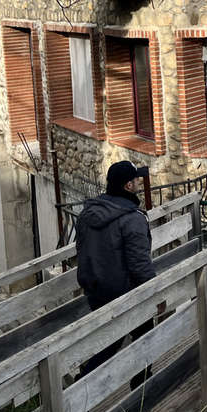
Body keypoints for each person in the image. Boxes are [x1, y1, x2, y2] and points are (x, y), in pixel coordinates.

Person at [76, 161, 160, 386]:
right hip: (123, 292)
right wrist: (156, 292)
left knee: (111, 340)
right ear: (128, 186)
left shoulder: (87, 214)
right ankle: (141, 388)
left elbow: (81, 251)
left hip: (95, 290)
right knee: (144, 335)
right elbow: (140, 264)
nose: (139, 185)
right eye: (136, 181)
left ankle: (83, 385)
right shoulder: (133, 219)